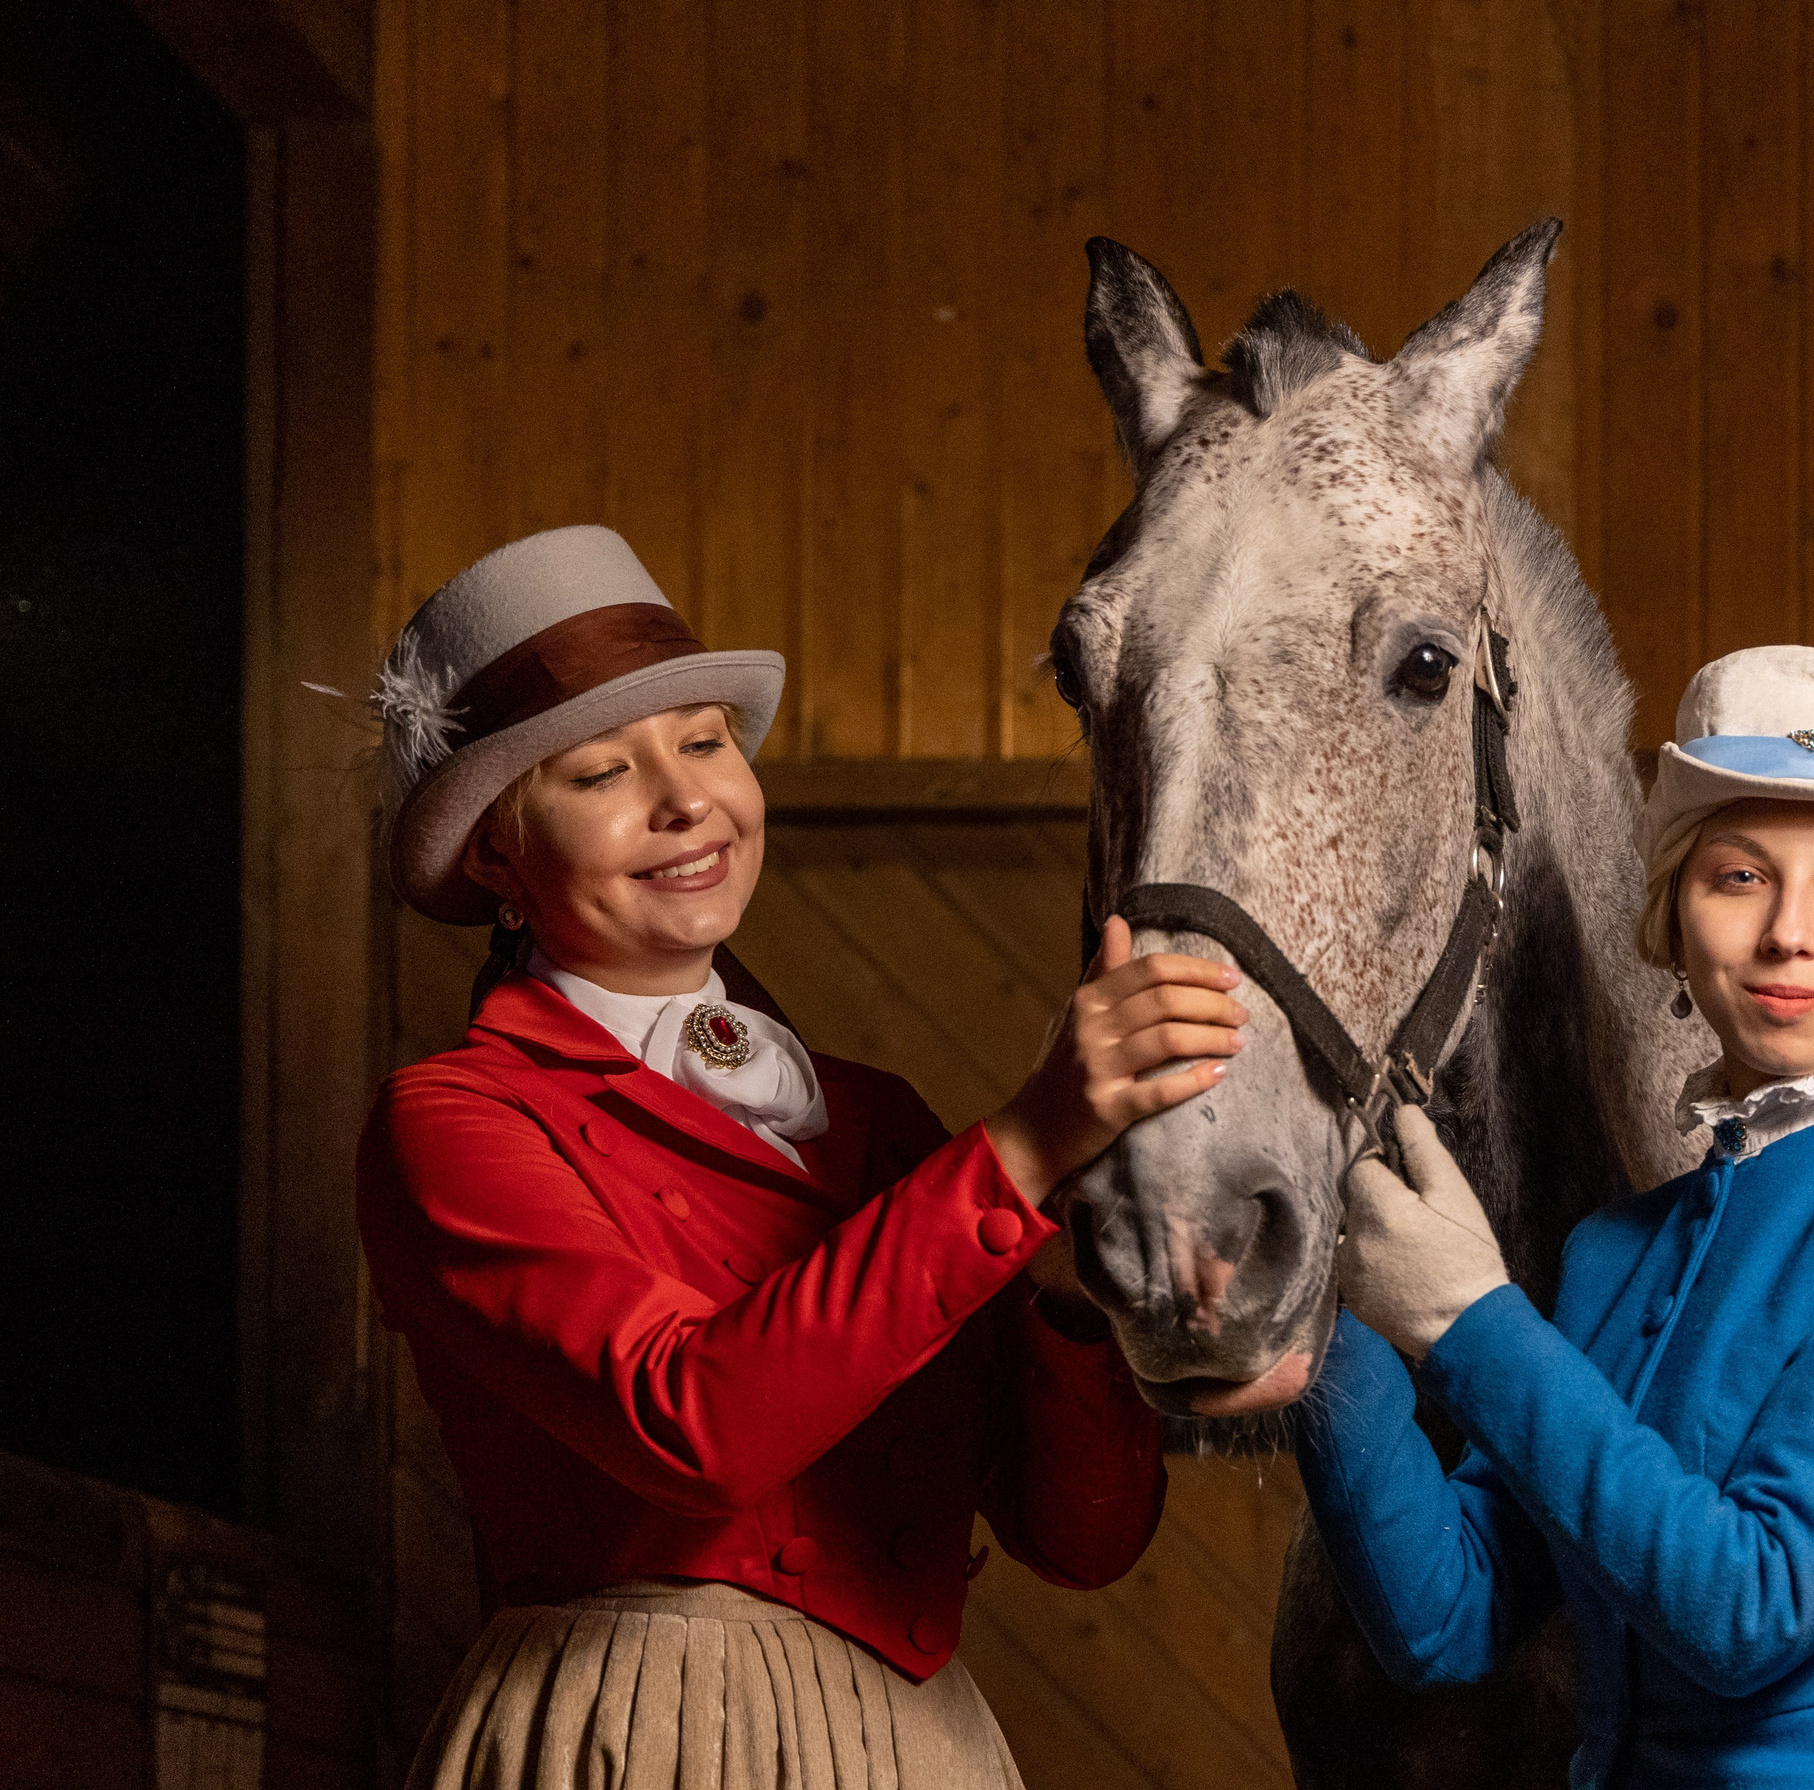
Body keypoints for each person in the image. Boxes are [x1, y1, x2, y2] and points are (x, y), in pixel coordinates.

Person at [355, 526, 1248, 1790]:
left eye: (707, 741)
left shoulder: (879, 1121)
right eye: (604, 770)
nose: (686, 800)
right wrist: (1023, 1147)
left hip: (921, 1743)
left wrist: (1073, 1295)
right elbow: (693, 1423)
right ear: (499, 853)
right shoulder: (455, 1119)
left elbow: (1081, 1540)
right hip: (634, 1735)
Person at [1295, 646, 1814, 1790]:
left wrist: (1470, 1315)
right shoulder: (1613, 1251)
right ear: (1669, 918)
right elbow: (1444, 1618)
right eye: (1737, 876)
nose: (1788, 933)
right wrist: (1326, 1312)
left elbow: (1751, 1605)